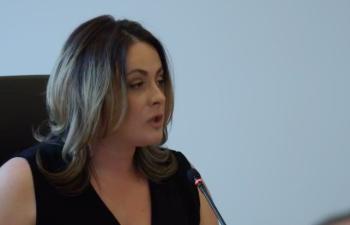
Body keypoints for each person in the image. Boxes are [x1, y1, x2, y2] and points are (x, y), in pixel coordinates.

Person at [0, 15, 218, 225]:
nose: (159, 96)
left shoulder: (181, 175)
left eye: (160, 80)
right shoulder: (23, 182)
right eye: (136, 84)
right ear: (91, 94)